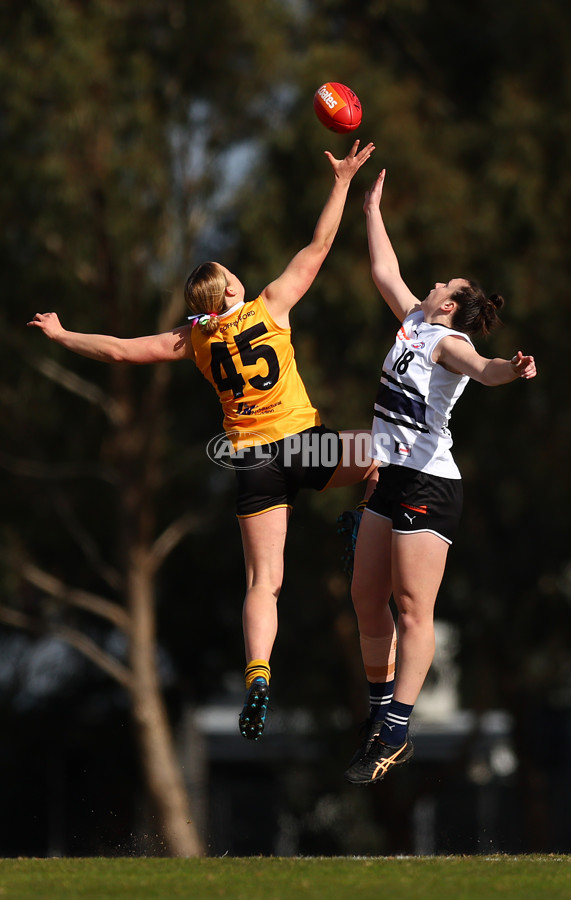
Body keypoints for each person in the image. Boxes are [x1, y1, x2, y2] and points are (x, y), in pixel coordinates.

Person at [28, 140, 379, 742]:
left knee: (262, 582)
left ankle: (259, 674)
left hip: (253, 464)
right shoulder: (271, 306)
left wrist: (62, 336)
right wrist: (343, 180)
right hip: (305, 447)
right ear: (230, 289)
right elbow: (319, 245)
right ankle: (360, 524)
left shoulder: (193, 341)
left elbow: (118, 348)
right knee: (389, 453)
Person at [344, 168, 536, 785]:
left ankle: (397, 727)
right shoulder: (411, 322)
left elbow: (482, 369)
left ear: (450, 305)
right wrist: (370, 207)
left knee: (410, 607)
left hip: (430, 484)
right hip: (392, 479)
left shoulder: (446, 341)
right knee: (363, 598)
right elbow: (383, 272)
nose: (436, 281)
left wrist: (514, 367)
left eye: (446, 284)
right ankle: (380, 713)